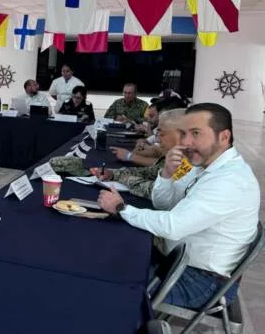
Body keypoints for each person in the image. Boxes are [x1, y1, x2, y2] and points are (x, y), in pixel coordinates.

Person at [98, 103, 259, 309]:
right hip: (179, 263)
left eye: (195, 133)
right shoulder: (206, 166)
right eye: (183, 134)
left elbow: (173, 226)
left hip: (201, 281)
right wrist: (166, 173)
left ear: (224, 137)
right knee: (107, 252)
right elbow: (163, 203)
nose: (185, 142)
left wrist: (122, 209)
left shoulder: (230, 180)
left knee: (106, 281)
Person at [89, 109, 185, 199]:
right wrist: (112, 174)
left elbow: (156, 192)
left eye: (162, 134)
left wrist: (123, 177)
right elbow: (150, 172)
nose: (158, 140)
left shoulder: (189, 165)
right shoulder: (175, 156)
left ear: (181, 135)